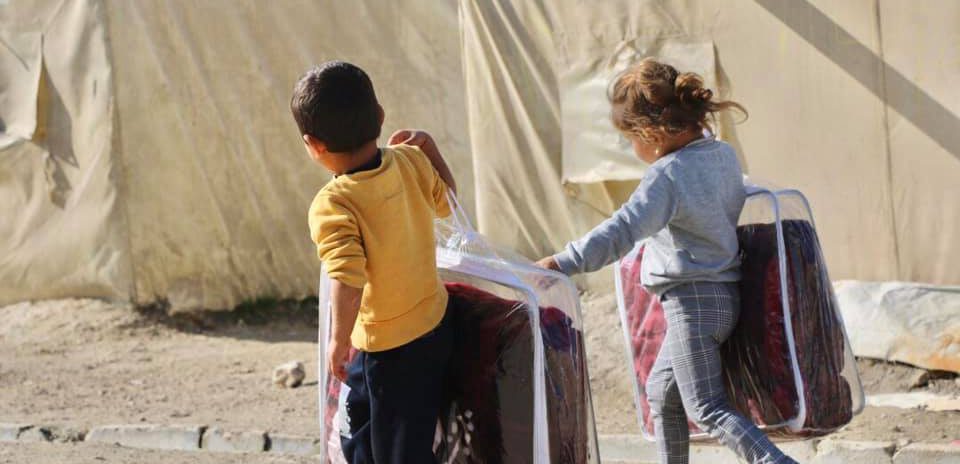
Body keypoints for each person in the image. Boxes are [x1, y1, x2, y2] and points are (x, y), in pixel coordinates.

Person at [536, 58, 798, 464]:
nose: (632, 149)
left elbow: (623, 230)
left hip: (692, 305)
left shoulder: (667, 176)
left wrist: (563, 262)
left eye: (630, 139)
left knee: (707, 407)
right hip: (724, 297)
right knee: (662, 392)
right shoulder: (723, 156)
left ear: (651, 133)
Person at [291, 61, 456, 464]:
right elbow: (448, 203)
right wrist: (430, 150)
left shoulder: (334, 203)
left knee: (394, 449)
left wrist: (338, 339)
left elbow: (347, 277)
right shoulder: (411, 161)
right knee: (378, 435)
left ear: (313, 144)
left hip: (386, 349)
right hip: (433, 326)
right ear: (380, 115)